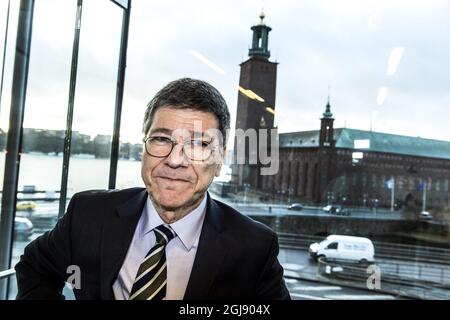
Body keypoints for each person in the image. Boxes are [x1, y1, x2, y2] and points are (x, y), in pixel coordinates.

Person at [15, 78, 291, 300]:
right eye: (161, 139)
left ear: (219, 161)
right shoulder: (87, 215)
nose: (174, 160)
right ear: (143, 149)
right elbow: (34, 267)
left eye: (198, 145)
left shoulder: (253, 248)